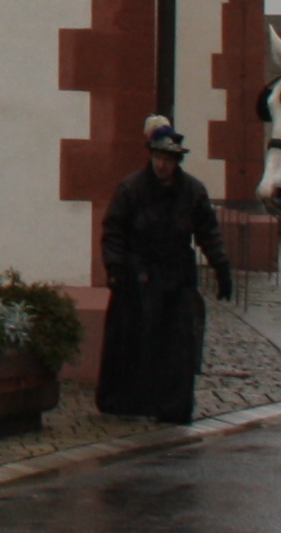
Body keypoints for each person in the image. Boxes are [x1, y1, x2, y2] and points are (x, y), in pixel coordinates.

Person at [93, 117, 231, 423]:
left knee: (177, 344)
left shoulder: (193, 191)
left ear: (176, 161)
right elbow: (114, 231)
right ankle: (128, 402)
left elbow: (208, 233)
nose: (161, 165)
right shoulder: (131, 188)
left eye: (167, 160)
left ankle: (173, 405)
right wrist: (115, 268)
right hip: (137, 275)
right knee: (134, 341)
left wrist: (221, 266)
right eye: (157, 158)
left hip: (176, 275)